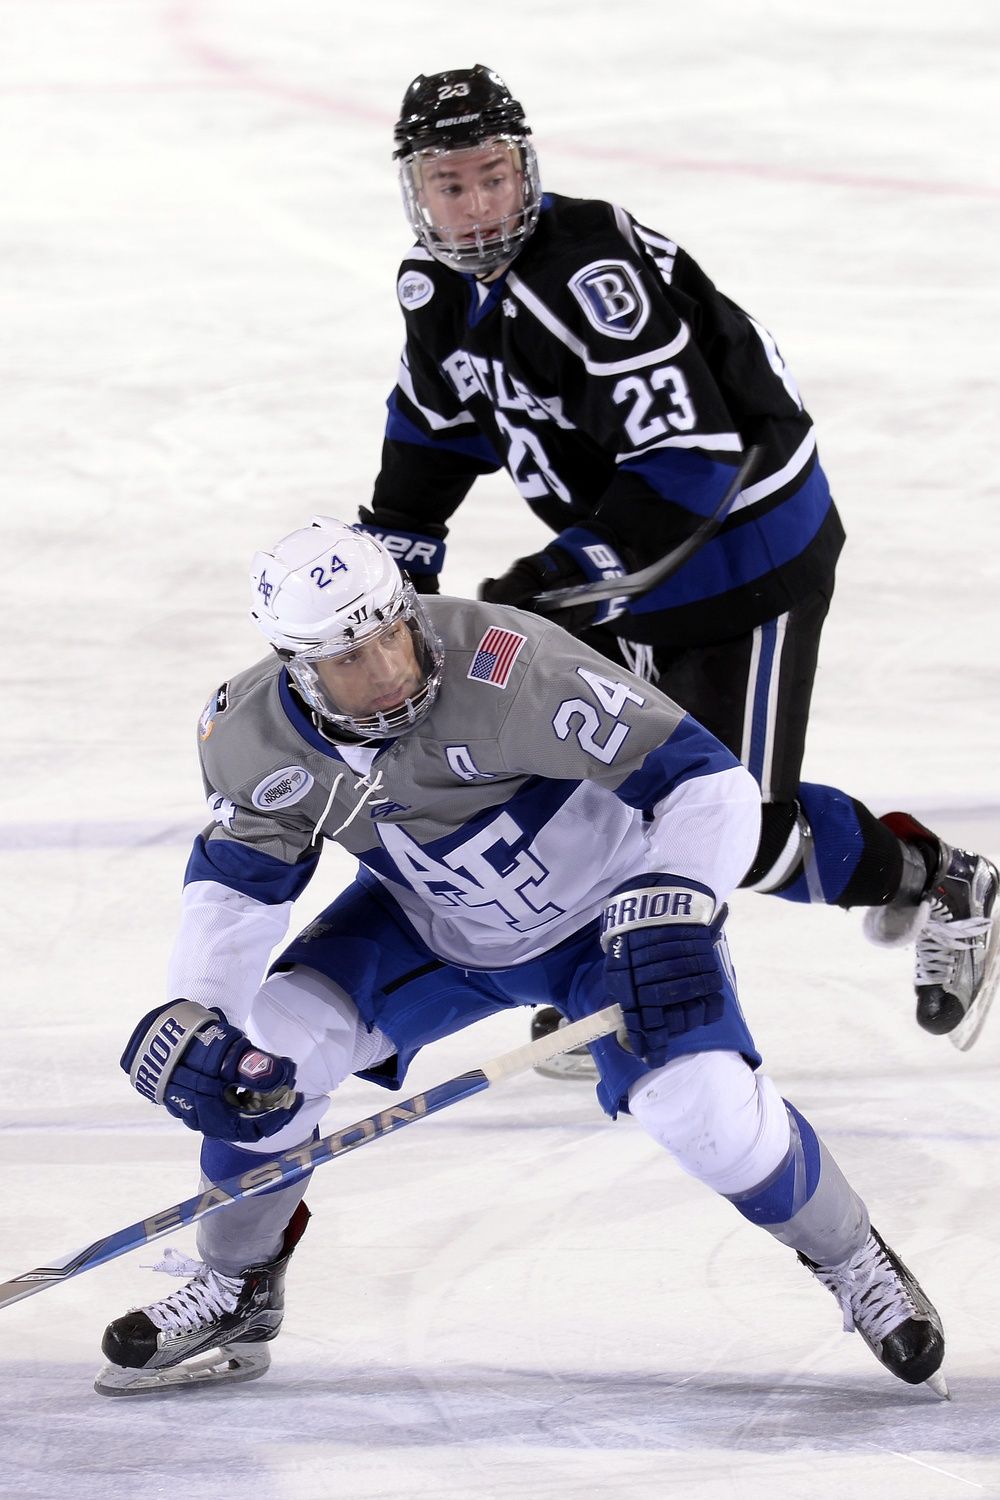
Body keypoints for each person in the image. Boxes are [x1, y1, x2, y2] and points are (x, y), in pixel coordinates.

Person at [96, 518, 946, 1398]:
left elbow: (707, 782)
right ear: (298, 667)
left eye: (392, 632)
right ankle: (237, 1283)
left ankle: (851, 1256)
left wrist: (672, 905)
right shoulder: (249, 737)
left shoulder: (514, 667)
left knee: (703, 1109)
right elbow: (237, 891)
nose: (388, 669)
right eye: (351, 658)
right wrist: (199, 1009)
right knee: (261, 1057)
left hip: (605, 924)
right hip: (427, 925)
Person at [358, 64, 999, 1062]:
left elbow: (688, 463)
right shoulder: (436, 287)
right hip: (625, 560)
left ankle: (936, 877)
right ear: (416, 190)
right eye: (451, 184)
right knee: (598, 785)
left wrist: (562, 578)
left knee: (724, 817)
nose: (477, 205)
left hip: (742, 557)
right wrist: (392, 579)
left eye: (492, 176)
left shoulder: (588, 276)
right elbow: (435, 434)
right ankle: (616, 978)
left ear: (525, 170)